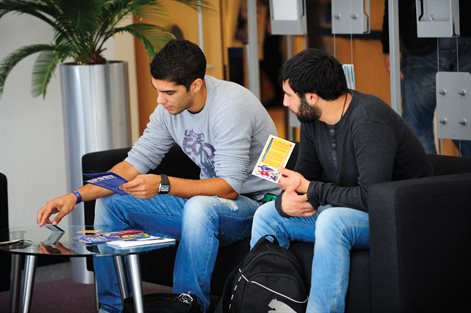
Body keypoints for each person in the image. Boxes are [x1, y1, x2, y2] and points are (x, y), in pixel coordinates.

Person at [37, 39, 280, 313]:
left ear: (196, 85)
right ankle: (112, 308)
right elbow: (132, 165)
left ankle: (188, 306)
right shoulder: (169, 110)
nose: (159, 100)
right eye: (157, 90)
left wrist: (164, 184)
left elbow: (229, 189)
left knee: (200, 207)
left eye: (168, 92)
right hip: (208, 204)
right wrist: (75, 196)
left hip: (257, 204)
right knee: (111, 202)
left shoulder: (231, 106)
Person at [249, 48, 433, 313]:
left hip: (398, 217)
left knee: (332, 221)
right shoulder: (312, 119)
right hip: (349, 209)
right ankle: (262, 303)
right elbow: (306, 177)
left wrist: (311, 188)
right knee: (268, 215)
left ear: (311, 96)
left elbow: (372, 197)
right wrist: (288, 200)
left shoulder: (369, 120)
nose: (285, 103)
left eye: (289, 95)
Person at [381, 0, 471, 156]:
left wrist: (390, 44)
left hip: (426, 36)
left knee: (418, 126)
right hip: (465, 34)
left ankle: (428, 180)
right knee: (461, 122)